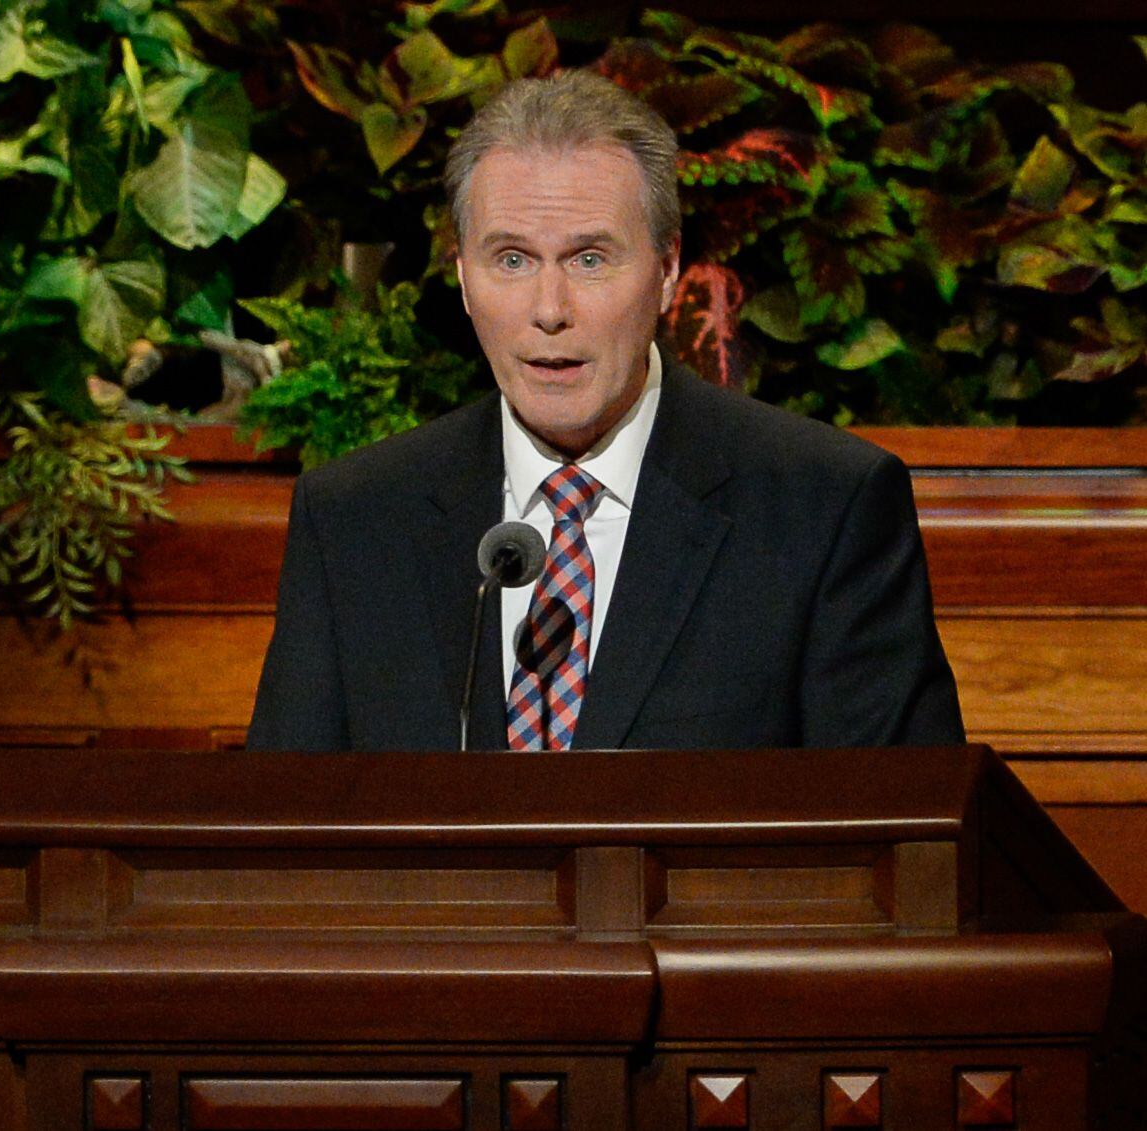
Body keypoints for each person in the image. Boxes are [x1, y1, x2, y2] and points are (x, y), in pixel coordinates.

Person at [246, 71, 964, 752]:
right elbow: (278, 837)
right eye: (512, 260)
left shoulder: (822, 508)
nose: (549, 311)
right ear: (463, 278)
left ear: (666, 269)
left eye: (589, 259)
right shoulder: (354, 521)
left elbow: (903, 840)